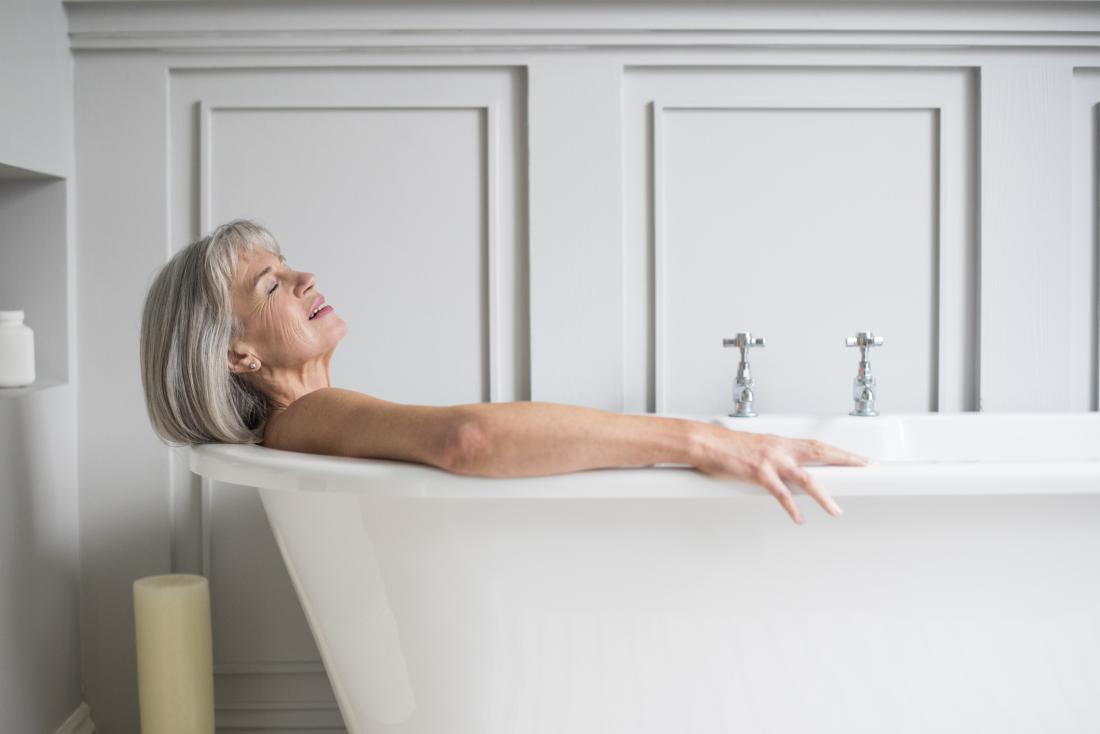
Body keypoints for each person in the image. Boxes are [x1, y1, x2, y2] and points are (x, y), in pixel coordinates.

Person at [140, 219, 869, 525]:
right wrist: (707, 441)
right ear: (240, 357)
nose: (304, 277)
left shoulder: (310, 429)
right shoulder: (303, 420)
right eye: (271, 284)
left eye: (287, 263)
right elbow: (470, 441)